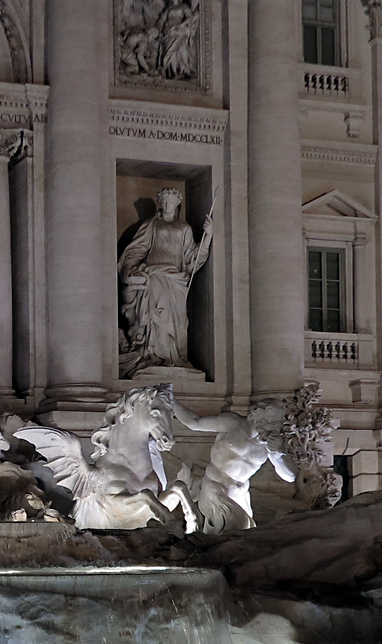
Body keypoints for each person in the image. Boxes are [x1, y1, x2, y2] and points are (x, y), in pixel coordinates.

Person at [118, 186, 212, 371]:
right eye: (164, 201)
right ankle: (151, 354)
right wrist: (129, 268)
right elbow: (137, 249)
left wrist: (208, 235)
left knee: (174, 320)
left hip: (175, 281)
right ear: (160, 204)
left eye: (171, 202)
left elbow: (193, 258)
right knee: (154, 317)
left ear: (178, 204)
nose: (167, 205)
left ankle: (172, 356)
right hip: (154, 277)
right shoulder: (152, 224)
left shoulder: (183, 228)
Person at [171, 397, 296, 533]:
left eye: (277, 422)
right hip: (215, 487)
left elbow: (290, 477)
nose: (274, 426)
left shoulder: (271, 443)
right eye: (271, 420)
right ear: (259, 414)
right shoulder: (233, 423)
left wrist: (278, 455)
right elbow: (194, 423)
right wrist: (170, 400)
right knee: (233, 532)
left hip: (240, 494)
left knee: (246, 535)